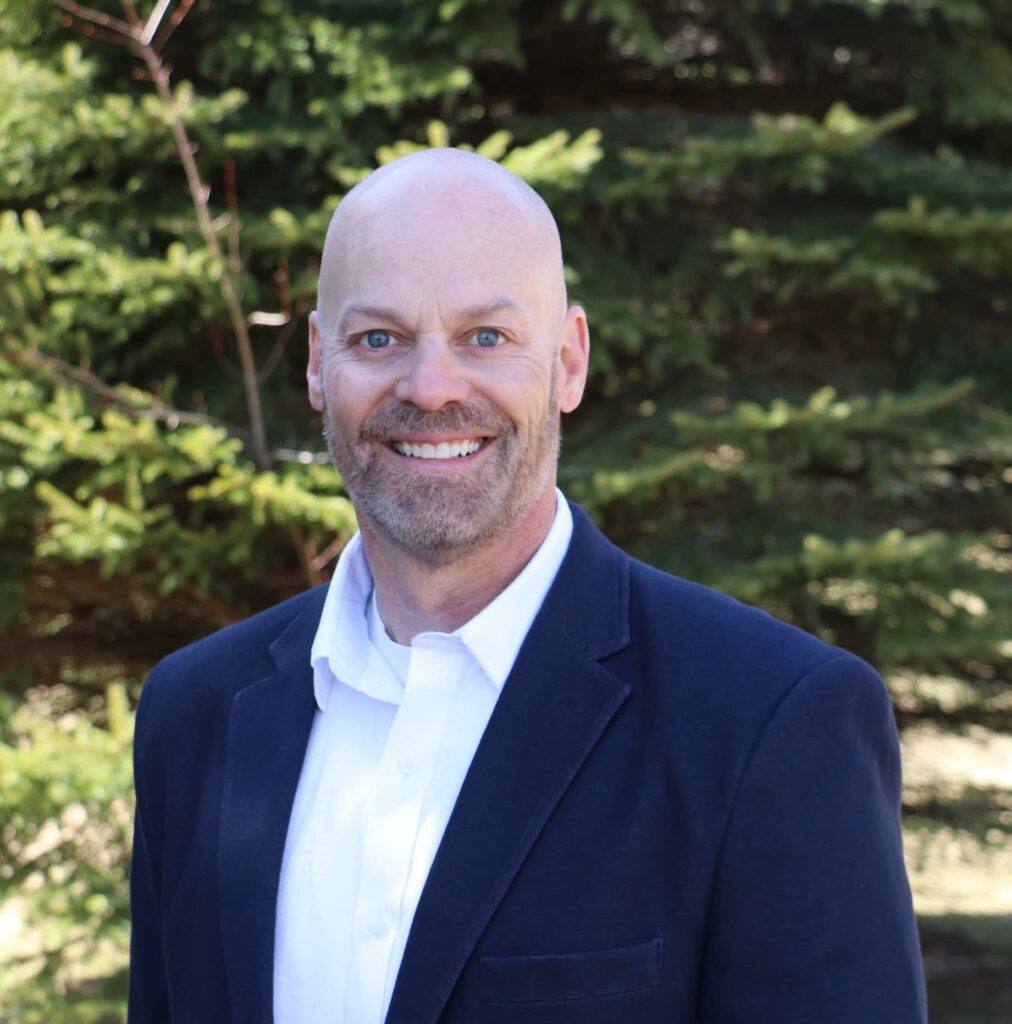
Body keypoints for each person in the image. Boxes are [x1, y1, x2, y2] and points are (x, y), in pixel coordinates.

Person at [128, 149, 927, 1024]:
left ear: (569, 361)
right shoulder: (195, 713)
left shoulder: (768, 724)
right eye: (379, 339)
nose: (432, 390)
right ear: (320, 364)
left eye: (486, 337)